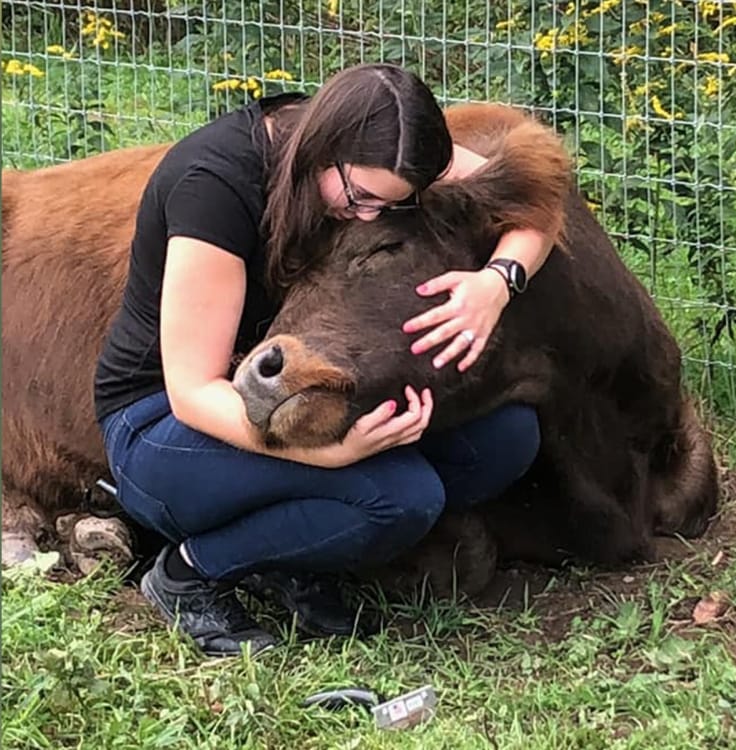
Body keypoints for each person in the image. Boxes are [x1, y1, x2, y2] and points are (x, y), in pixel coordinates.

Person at [93, 63, 558, 656]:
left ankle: (296, 556)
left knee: (506, 439)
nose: (367, 216)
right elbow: (192, 391)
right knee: (401, 497)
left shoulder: (384, 152)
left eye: (391, 205)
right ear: (323, 147)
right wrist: (332, 454)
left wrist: (497, 280)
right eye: (359, 197)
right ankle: (188, 573)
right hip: (165, 427)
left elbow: (538, 194)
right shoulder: (214, 186)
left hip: (299, 396)